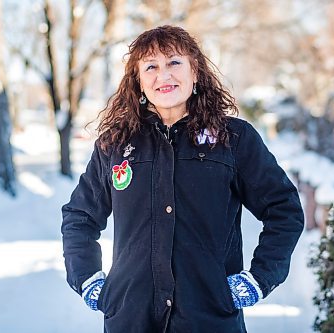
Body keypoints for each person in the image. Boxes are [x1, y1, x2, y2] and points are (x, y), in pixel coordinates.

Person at [61, 25, 304, 333]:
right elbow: (79, 216)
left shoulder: (233, 138)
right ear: (138, 81)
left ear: (196, 72)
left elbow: (283, 209)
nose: (163, 76)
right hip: (131, 319)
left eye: (174, 62)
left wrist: (259, 278)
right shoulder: (116, 145)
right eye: (151, 66)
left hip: (209, 317)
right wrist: (87, 279)